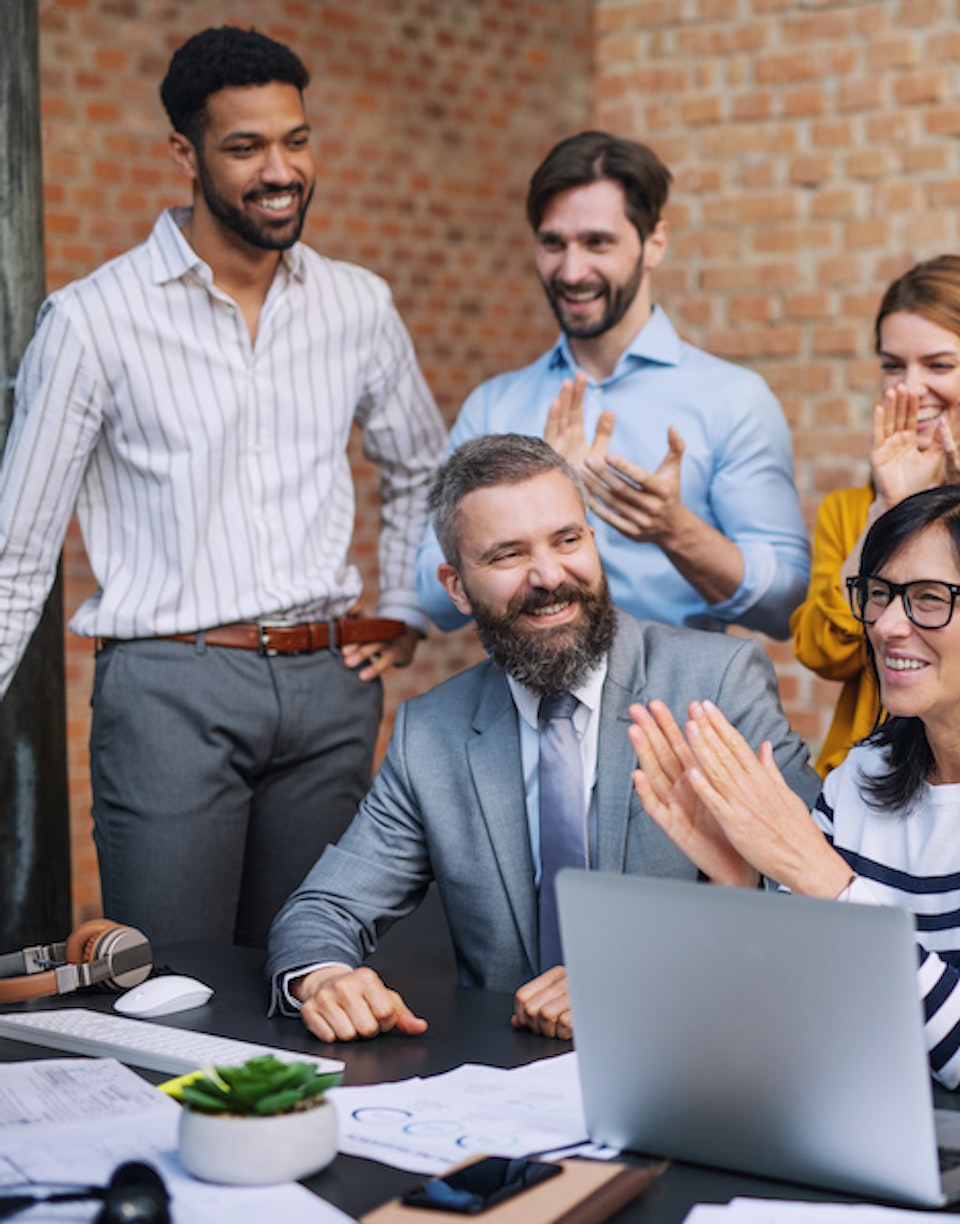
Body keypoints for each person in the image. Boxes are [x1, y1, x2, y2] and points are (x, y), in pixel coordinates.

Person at [0, 26, 446, 949]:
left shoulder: (357, 304)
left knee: (314, 970)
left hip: (329, 689)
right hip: (170, 690)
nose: (280, 169)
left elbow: (421, 467)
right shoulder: (92, 322)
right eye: (245, 147)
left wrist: (405, 604)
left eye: (296, 139)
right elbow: (16, 554)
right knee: (171, 986)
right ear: (185, 153)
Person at [266, 433, 820, 1044]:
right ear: (455, 586)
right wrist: (321, 980)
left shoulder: (717, 683)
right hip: (503, 1077)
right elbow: (322, 909)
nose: (550, 575)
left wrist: (638, 981)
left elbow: (813, 888)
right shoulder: (432, 732)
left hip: (695, 1054)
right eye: (507, 555)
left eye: (567, 540)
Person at [416, 130, 809, 640]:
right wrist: (533, 506)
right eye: (553, 244)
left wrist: (673, 529)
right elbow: (434, 596)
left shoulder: (733, 400)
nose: (572, 270)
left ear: (655, 243)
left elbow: (786, 607)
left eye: (597, 242)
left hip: (679, 711)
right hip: (526, 712)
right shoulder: (493, 406)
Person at [631, 484, 960, 1089]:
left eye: (929, 600)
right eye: (879, 594)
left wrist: (831, 885)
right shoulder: (862, 777)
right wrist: (740, 882)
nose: (887, 625)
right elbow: (784, 1008)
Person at [791, 256, 960, 777]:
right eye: (892, 365)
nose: (908, 388)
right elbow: (822, 651)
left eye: (938, 365)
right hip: (866, 781)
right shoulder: (850, 511)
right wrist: (890, 509)